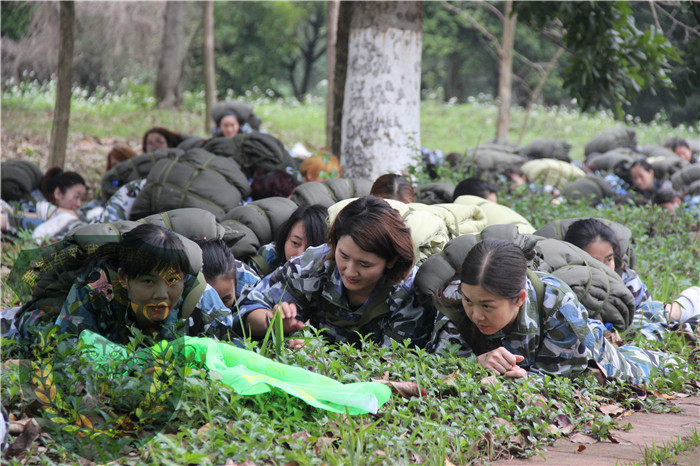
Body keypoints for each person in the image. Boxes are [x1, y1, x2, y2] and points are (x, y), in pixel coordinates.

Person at [429, 238, 680, 384]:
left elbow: (558, 379)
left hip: (590, 352)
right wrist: (476, 364)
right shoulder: (455, 299)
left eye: (487, 306)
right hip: (539, 357)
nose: (475, 314)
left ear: (519, 299)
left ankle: (672, 311)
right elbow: (437, 369)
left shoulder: (557, 302)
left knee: (657, 363)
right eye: (469, 301)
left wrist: (520, 380)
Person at [238, 196, 432, 347]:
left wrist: (322, 357)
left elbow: (393, 365)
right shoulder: (316, 262)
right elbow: (247, 309)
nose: (350, 271)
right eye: (344, 256)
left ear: (391, 261)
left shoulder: (408, 291)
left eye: (365, 264)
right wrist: (273, 323)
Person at [14, 224, 240, 344]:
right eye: (149, 281)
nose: (161, 294)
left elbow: (231, 349)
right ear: (124, 278)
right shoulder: (97, 287)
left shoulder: (200, 297)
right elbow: (68, 352)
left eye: (172, 280)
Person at [563, 219, 650, 311]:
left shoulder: (628, 281)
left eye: (608, 260)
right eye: (594, 262)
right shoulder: (563, 288)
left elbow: (647, 315)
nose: (604, 268)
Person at [1, 167, 87, 235]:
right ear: (58, 193)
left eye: (82, 199)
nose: (79, 204)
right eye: (76, 196)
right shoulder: (30, 204)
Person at [250, 204, 329, 276]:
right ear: (285, 238)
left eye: (312, 248)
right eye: (295, 243)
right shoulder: (266, 259)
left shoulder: (333, 274)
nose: (300, 255)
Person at [193, 237, 260, 309]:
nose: (219, 310)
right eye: (209, 302)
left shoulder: (250, 286)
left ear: (235, 283)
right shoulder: (180, 278)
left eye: (224, 301)